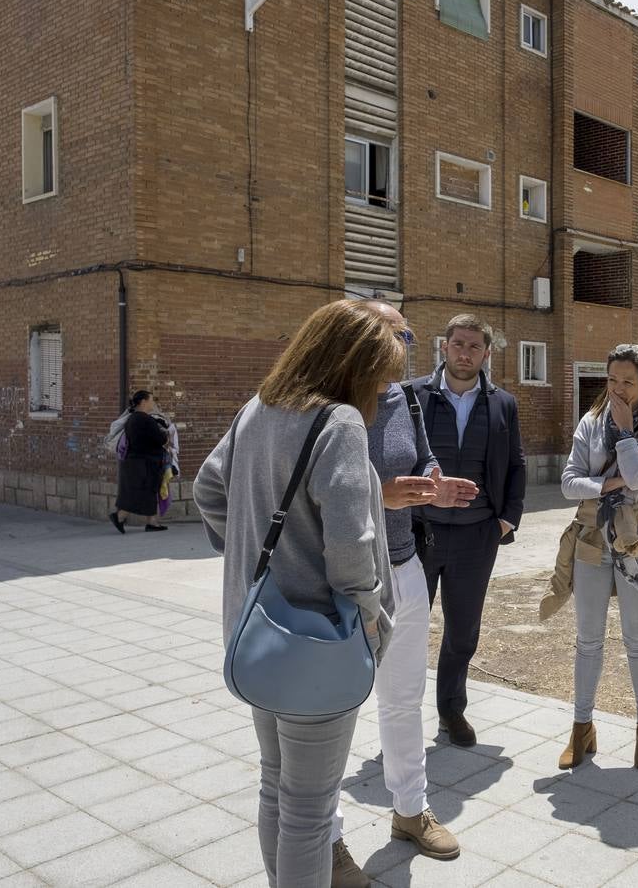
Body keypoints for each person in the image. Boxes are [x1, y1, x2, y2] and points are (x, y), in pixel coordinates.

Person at [193, 299, 399, 888]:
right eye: (380, 377)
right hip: (321, 642)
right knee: (309, 811)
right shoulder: (339, 421)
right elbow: (352, 546)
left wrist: (255, 559)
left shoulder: (258, 407)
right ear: (350, 365)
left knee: (274, 786)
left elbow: (210, 489)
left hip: (259, 633)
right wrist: (370, 621)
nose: (383, 392)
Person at [324, 302, 480, 886]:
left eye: (407, 334)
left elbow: (421, 455)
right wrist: (381, 495)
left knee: (403, 699)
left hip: (405, 569)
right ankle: (329, 837)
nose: (403, 344)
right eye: (393, 333)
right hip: (342, 582)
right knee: (334, 710)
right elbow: (328, 491)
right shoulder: (328, 404)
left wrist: (433, 482)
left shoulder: (405, 399)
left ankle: (409, 812)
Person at [544, 343, 638, 770]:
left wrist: (623, 434)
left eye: (629, 382)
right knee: (588, 640)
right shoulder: (589, 422)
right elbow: (568, 483)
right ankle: (581, 728)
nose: (618, 389)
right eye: (612, 380)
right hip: (592, 539)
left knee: (637, 640)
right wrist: (606, 486)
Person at [409, 314, 526, 748]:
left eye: (474, 346)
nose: (464, 353)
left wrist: (505, 519)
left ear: (487, 353)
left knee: (462, 631)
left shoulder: (502, 404)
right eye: (457, 344)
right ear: (444, 346)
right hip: (418, 534)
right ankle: (401, 716)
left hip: (477, 537)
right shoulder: (413, 397)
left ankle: (451, 711)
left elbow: (516, 464)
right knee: (406, 627)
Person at [108, 390, 170, 533]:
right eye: (151, 400)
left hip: (137, 462)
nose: (153, 404)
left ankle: (152, 522)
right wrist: (165, 436)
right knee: (138, 492)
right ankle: (119, 516)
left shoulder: (133, 418)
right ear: (143, 402)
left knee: (148, 491)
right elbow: (160, 439)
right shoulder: (145, 419)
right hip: (144, 463)